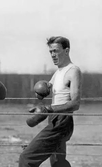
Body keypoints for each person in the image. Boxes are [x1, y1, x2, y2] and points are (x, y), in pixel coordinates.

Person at [19, 36, 82, 167]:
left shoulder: (73, 71)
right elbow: (45, 91)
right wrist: (40, 93)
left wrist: (49, 109)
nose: (52, 55)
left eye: (56, 51)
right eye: (50, 52)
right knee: (58, 163)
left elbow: (75, 104)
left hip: (62, 121)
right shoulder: (58, 72)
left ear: (66, 50)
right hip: (54, 119)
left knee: (26, 158)